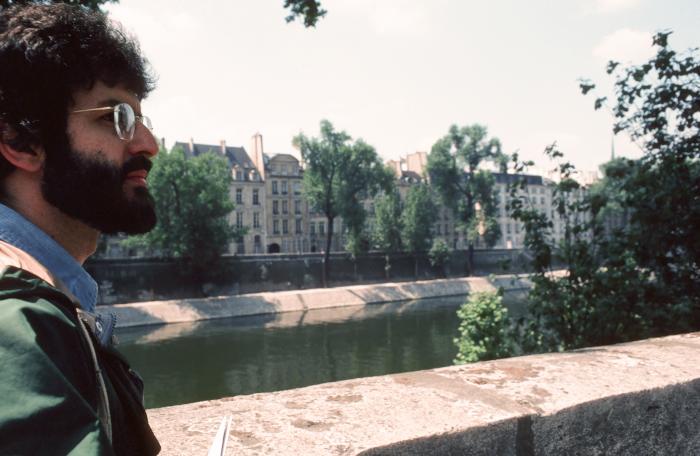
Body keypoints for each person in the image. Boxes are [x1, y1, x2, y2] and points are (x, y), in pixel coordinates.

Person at [0, 4, 161, 454]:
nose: (149, 144)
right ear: (22, 142)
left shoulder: (39, 300)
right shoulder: (17, 322)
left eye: (142, 120)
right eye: (117, 118)